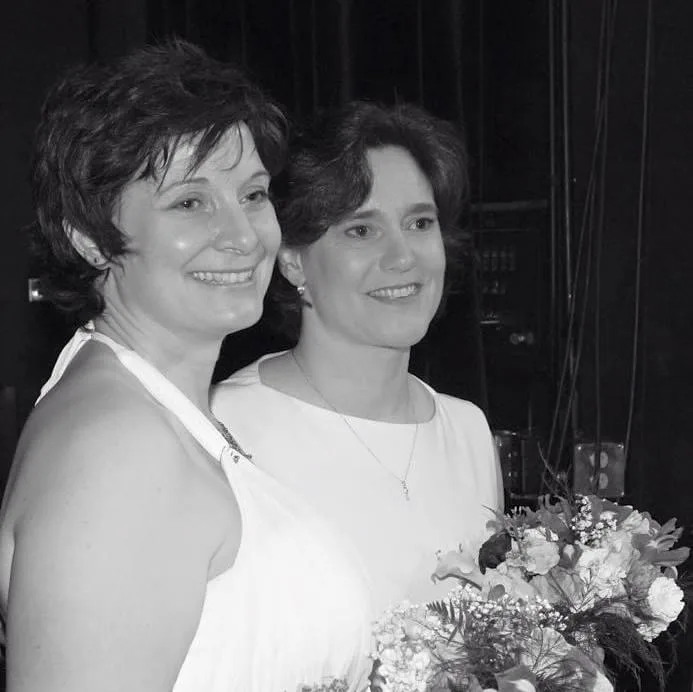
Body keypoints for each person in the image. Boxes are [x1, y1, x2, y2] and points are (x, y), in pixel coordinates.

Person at [0, 42, 372, 692]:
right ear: (89, 238)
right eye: (190, 203)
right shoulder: (118, 452)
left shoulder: (151, 407)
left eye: (252, 194)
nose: (243, 235)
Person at [212, 101, 504, 619]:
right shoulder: (226, 429)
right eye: (361, 231)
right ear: (292, 260)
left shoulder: (469, 432)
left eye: (420, 222)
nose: (403, 256)